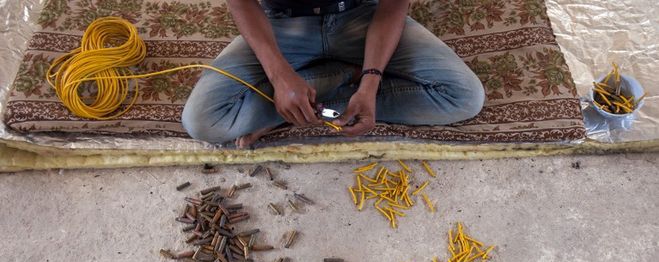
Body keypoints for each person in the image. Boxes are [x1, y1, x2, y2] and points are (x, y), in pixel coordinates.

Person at [182, 0, 485, 148]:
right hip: (283, 25)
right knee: (204, 120)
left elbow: (393, 6)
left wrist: (370, 81)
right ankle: (321, 85)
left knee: (463, 96)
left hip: (361, 16)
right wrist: (279, 75)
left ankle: (298, 103)